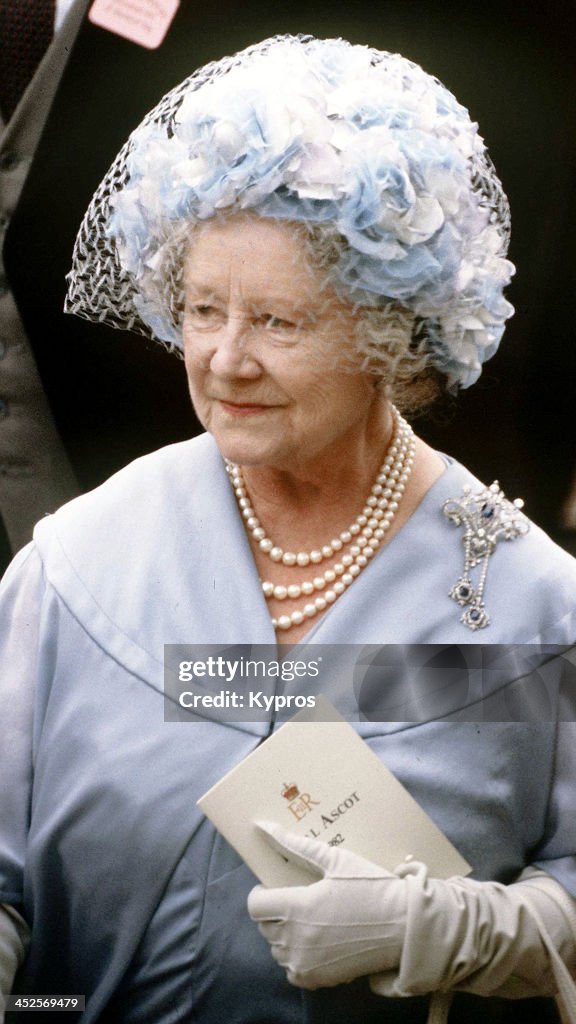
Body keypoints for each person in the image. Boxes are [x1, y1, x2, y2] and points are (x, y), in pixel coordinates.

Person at [1, 34, 576, 1024]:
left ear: (387, 331)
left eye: (277, 321)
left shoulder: (531, 601)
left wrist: (445, 930)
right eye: (202, 308)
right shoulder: (79, 561)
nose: (223, 359)